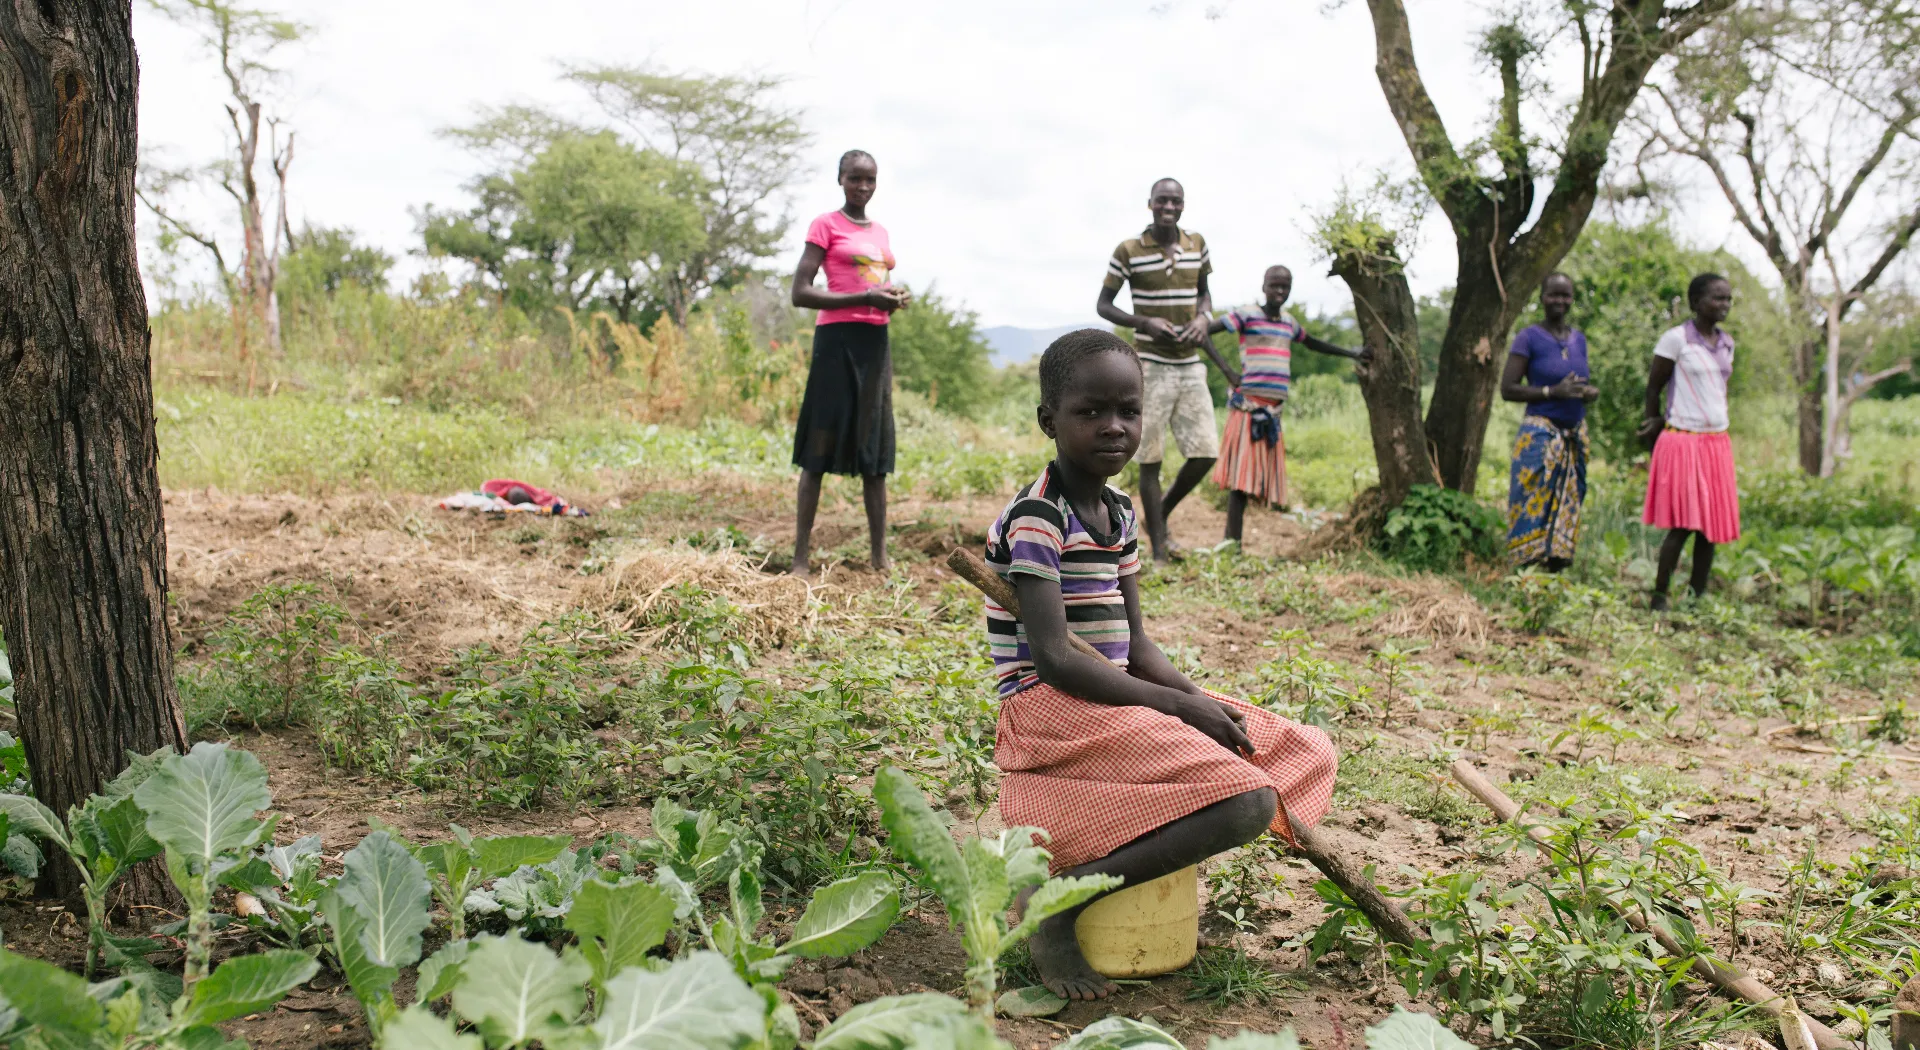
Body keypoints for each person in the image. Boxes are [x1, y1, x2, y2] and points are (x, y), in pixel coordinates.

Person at [983, 329, 1337, 1000]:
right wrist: (1175, 708)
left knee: (1297, 745)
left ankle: (1100, 858)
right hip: (1051, 711)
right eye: (1091, 412)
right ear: (1048, 421)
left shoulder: (1119, 511)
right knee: (1246, 802)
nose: (1114, 427)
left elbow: (1137, 647)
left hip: (1112, 697)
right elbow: (1056, 659)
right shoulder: (1038, 516)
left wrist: (1199, 701)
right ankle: (1060, 903)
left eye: (1128, 411)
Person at [788, 150, 910, 578]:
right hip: (835, 342)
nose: (863, 187)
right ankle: (800, 556)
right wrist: (864, 298)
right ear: (840, 179)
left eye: (870, 180)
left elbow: (878, 285)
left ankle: (879, 557)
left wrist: (891, 300)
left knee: (874, 449)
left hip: (874, 343)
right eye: (855, 179)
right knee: (817, 448)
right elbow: (800, 292)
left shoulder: (880, 231)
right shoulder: (825, 225)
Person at [1096, 178, 1218, 563]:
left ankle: (1158, 516)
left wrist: (1204, 317)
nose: (1169, 206)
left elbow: (1204, 292)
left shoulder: (1197, 243)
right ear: (1150, 204)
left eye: (1176, 201)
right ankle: (1160, 549)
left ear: (1183, 205)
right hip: (1149, 363)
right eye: (1162, 200)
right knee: (1150, 457)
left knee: (1205, 453)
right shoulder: (1129, 250)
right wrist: (1144, 322)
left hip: (1190, 364)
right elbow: (1104, 304)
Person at [1203, 265, 1368, 543]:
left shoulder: (1289, 323)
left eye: (1285, 287)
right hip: (1248, 408)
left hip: (1272, 413)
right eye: (1274, 285)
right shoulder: (1247, 315)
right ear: (1263, 286)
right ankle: (1232, 544)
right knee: (1240, 481)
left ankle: (1237, 542)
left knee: (1257, 479)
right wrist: (1228, 372)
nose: (1279, 291)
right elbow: (1204, 333)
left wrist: (1352, 353)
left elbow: (1313, 343)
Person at [1639, 273, 1740, 611]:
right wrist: (1652, 425)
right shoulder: (1676, 340)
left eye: (1727, 299)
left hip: (1716, 442)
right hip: (1684, 439)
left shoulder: (1727, 344)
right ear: (1696, 302)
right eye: (1717, 298)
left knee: (1709, 527)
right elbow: (1654, 388)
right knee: (1683, 524)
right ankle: (1659, 596)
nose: (1723, 305)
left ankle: (1697, 598)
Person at [1501, 273, 1600, 571]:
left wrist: (1586, 392)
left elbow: (1581, 380)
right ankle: (1525, 570)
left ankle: (1555, 570)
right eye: (1554, 295)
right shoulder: (1528, 337)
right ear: (1542, 297)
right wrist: (1550, 392)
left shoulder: (1578, 339)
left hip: (1573, 436)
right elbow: (1508, 389)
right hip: (1540, 435)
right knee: (1530, 499)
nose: (1560, 301)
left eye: (1565, 295)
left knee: (1570, 499)